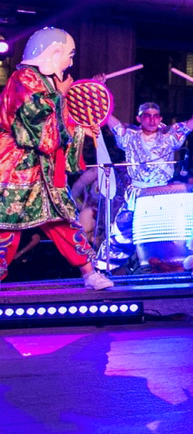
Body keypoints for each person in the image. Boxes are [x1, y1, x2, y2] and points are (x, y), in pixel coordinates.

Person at [0, 27, 113, 289]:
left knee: (64, 222)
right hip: (16, 169)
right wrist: (60, 95)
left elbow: (60, 125)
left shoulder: (50, 83)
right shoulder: (23, 78)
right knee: (6, 227)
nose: (71, 62)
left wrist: (82, 128)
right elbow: (30, 120)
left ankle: (89, 273)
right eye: (69, 55)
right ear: (54, 52)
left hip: (47, 173)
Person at [103, 85, 193, 269]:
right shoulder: (129, 135)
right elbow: (108, 117)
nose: (152, 120)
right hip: (137, 193)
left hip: (163, 193)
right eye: (147, 116)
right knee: (120, 234)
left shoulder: (170, 135)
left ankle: (180, 264)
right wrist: (102, 89)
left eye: (156, 116)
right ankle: (103, 268)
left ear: (160, 119)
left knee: (168, 235)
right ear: (139, 118)